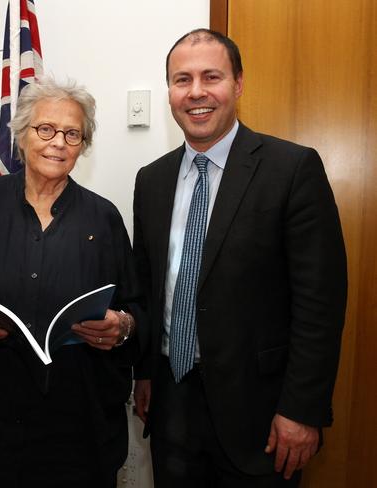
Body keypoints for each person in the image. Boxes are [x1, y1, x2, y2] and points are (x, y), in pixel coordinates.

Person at [132, 29, 347, 487]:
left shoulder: (292, 169)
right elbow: (149, 288)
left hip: (262, 417)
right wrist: (144, 374)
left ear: (239, 84)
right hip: (171, 406)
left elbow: (320, 306)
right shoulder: (150, 180)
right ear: (169, 90)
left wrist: (301, 410)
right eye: (181, 79)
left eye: (212, 76)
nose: (196, 92)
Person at [0, 77, 145, 488]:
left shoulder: (104, 218)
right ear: (21, 136)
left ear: (83, 145)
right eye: (45, 129)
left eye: (72, 133)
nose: (58, 142)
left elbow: (135, 307)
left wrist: (121, 325)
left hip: (76, 433)